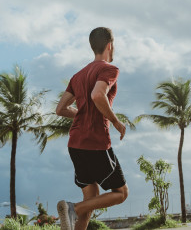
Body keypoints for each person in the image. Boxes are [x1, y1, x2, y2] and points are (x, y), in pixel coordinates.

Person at [56, 27, 129, 230]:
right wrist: (114, 121)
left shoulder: (78, 76)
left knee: (91, 200)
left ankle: (77, 212)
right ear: (110, 45)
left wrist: (81, 113)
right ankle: (72, 208)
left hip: (75, 144)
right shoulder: (109, 69)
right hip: (95, 142)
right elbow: (98, 95)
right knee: (121, 193)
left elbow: (60, 109)